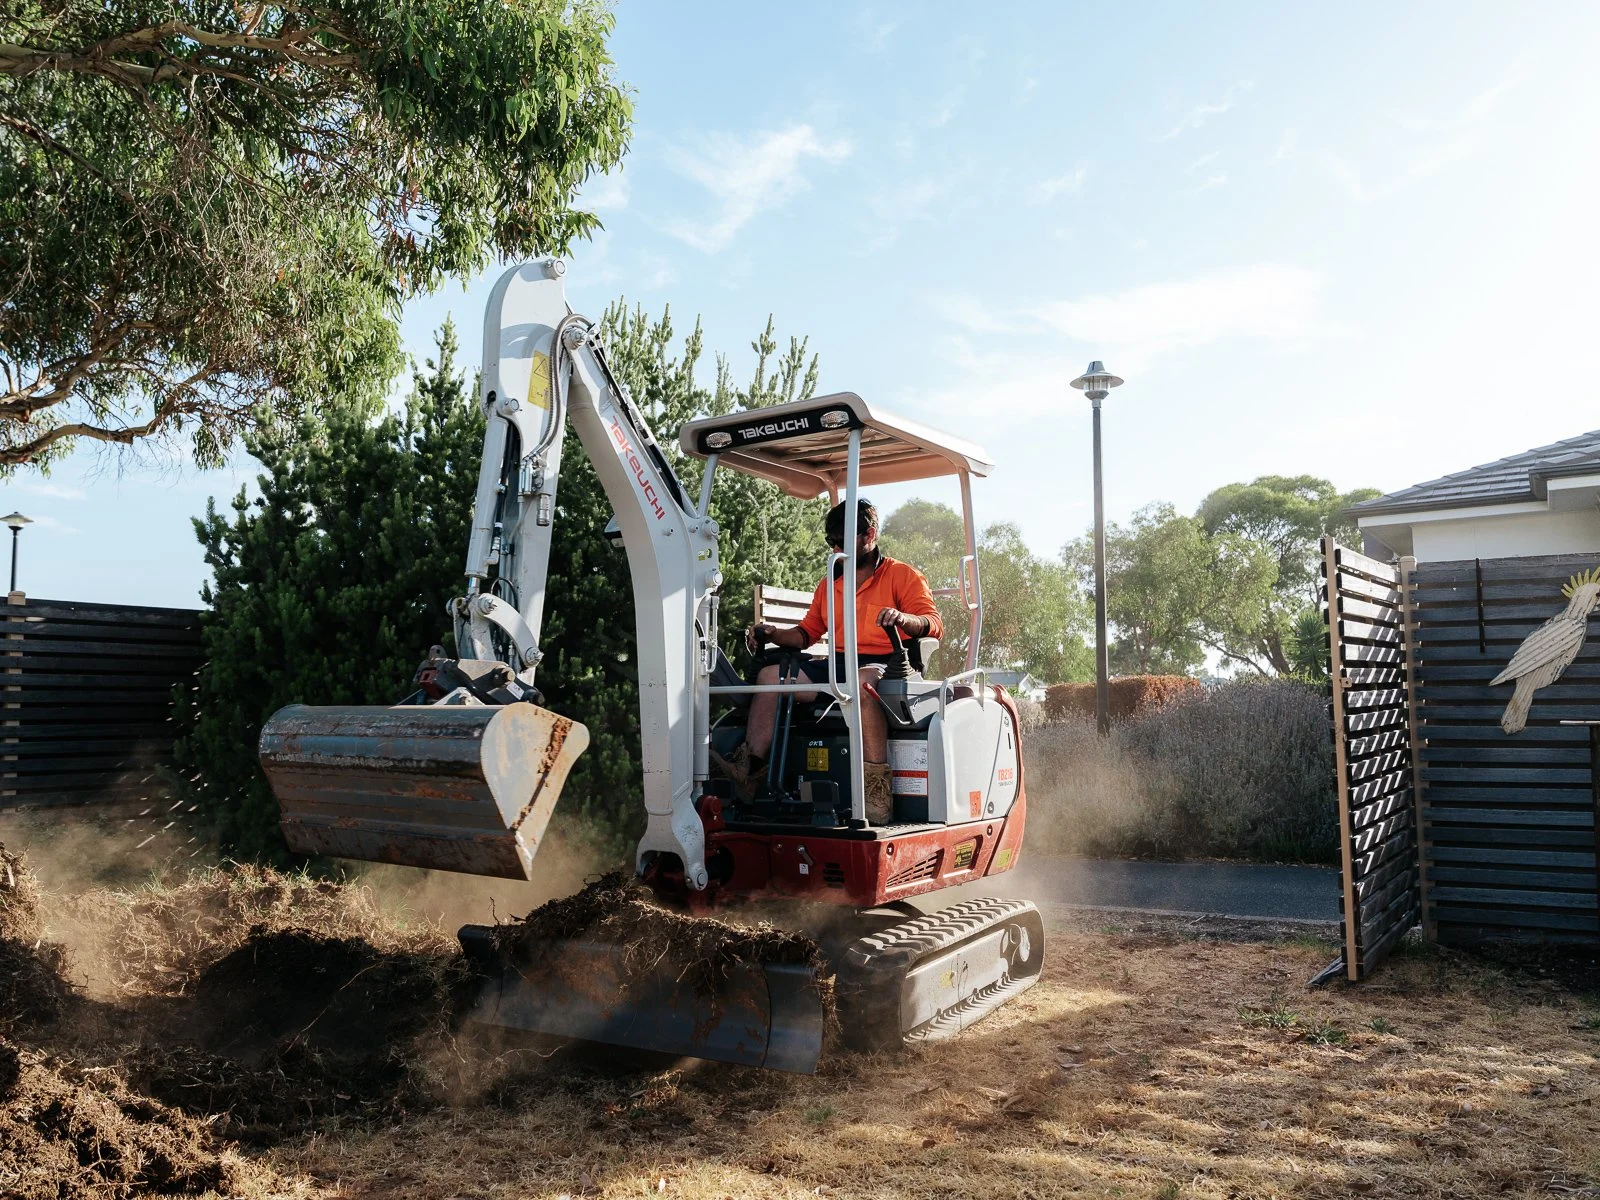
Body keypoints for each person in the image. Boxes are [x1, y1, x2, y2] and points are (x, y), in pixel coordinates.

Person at [714, 498, 942, 822]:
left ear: (869, 535)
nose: (835, 547)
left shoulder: (903, 576)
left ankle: (876, 790)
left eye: (842, 540)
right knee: (768, 677)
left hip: (885, 661)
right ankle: (748, 772)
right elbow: (807, 633)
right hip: (837, 662)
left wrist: (904, 619)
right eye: (831, 541)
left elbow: (933, 623)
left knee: (863, 687)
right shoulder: (830, 583)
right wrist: (773, 633)